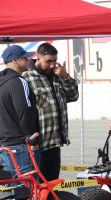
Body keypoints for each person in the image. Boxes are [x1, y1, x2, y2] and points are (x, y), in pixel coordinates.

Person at [23, 43, 79, 181]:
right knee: (37, 186)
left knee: (52, 184)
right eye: (49, 61)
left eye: (55, 61)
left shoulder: (57, 75)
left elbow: (73, 96)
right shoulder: (26, 77)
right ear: (38, 58)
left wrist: (65, 77)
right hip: (38, 145)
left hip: (54, 143)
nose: (53, 65)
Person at [0, 45, 39, 179]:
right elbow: (25, 111)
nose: (29, 60)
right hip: (20, 145)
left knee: (13, 190)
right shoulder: (19, 81)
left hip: (6, 145)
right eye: (25, 57)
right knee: (27, 189)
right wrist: (32, 138)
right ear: (15, 61)